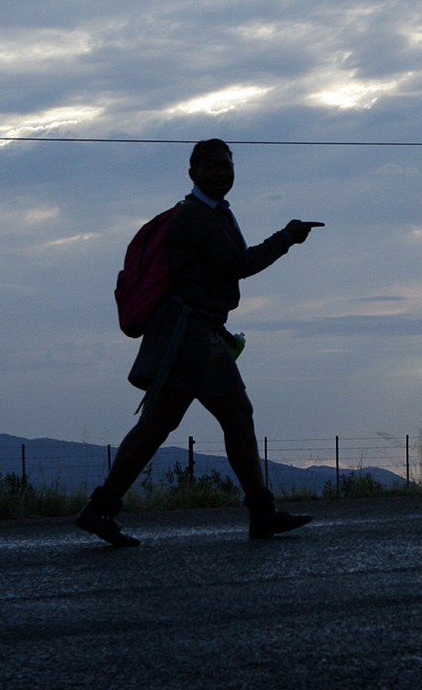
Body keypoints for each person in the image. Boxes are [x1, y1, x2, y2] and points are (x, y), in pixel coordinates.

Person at [76, 139, 323, 546]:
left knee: (211, 418)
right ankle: (101, 509)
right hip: (188, 334)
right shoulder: (196, 216)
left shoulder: (211, 213)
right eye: (212, 167)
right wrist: (287, 238)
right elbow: (239, 265)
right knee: (189, 420)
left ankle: (259, 512)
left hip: (197, 331)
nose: (222, 173)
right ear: (193, 172)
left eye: (226, 166)